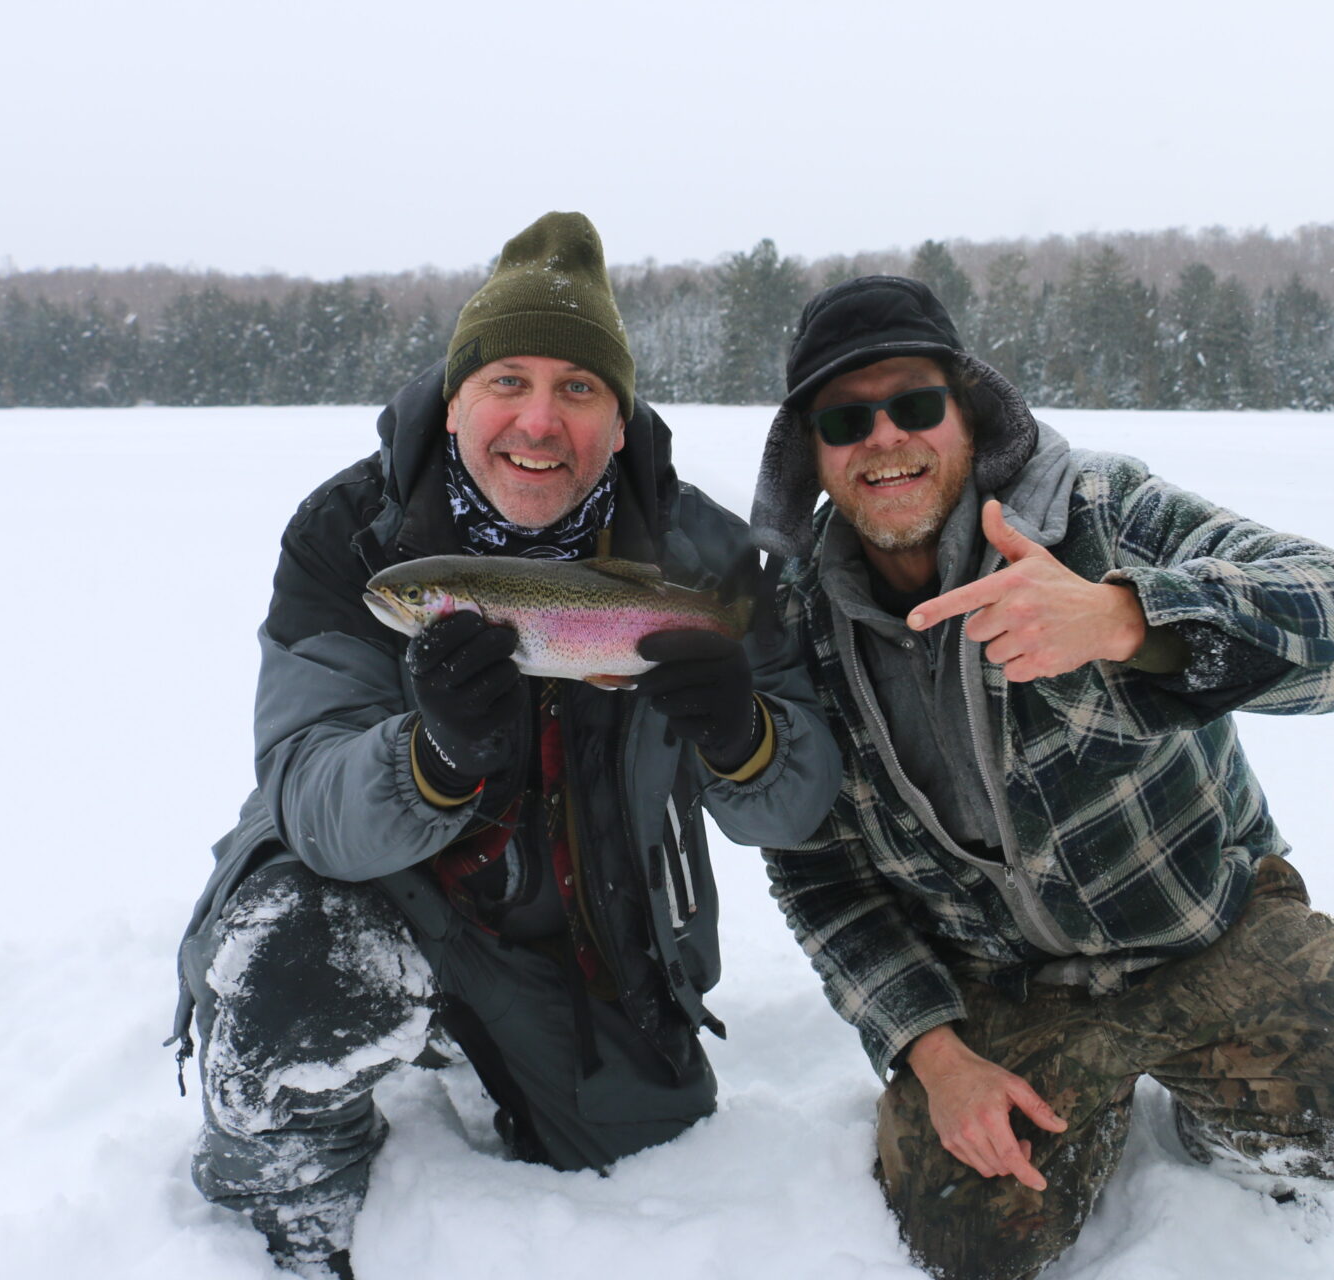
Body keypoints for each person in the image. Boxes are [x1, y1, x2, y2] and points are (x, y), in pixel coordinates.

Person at [749, 276, 1334, 1279]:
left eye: (914, 403)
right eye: (845, 417)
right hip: (1005, 988)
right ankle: (1080, 1109)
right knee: (972, 1240)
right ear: (811, 452)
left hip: (1205, 934)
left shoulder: (1100, 513)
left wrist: (1132, 619)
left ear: (965, 409)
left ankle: (1205, 1126)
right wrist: (931, 1050)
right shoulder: (791, 627)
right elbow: (815, 870)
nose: (885, 437)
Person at [167, 212, 840, 1277]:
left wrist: (743, 735)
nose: (539, 418)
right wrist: (430, 755)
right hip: (380, 892)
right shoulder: (352, 537)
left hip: (584, 937)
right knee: (300, 971)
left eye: (578, 388)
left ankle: (502, 1050)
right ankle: (291, 1213)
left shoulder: (707, 557)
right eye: (508, 381)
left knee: (637, 1151)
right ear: (455, 397)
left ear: (620, 422)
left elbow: (798, 807)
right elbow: (308, 790)